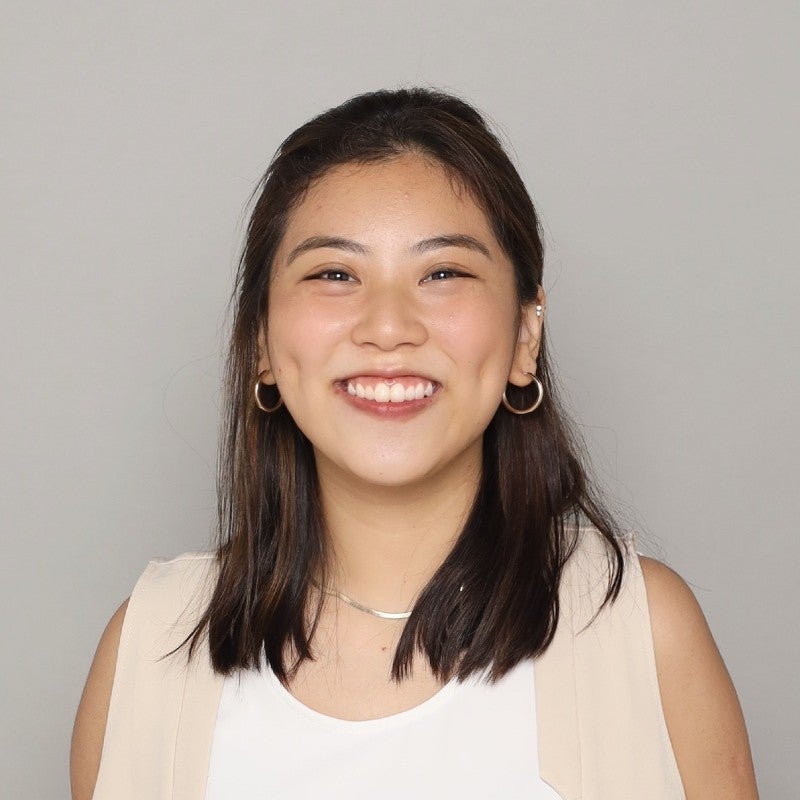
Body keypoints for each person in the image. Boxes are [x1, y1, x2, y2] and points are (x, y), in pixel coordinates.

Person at [71, 88, 758, 799]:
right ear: (262, 344)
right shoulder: (148, 648)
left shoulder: (642, 631)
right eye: (334, 274)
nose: (389, 326)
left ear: (526, 335)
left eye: (444, 274)